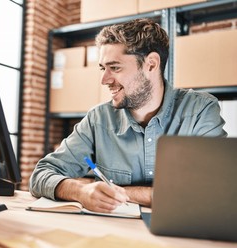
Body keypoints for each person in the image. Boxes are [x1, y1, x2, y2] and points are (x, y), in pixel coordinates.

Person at [29, 18, 227, 213]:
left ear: (151, 64)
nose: (104, 80)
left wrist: (122, 193)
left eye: (114, 67)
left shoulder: (199, 110)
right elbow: (40, 175)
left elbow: (216, 189)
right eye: (102, 68)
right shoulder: (98, 119)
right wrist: (81, 190)